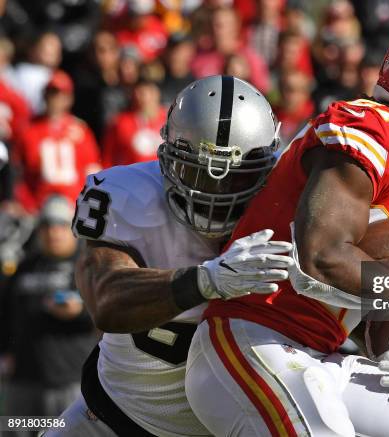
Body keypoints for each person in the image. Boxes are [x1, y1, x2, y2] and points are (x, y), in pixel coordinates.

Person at [186, 19, 389, 436]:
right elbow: (320, 262)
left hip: (326, 356)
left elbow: (381, 341)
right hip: (251, 335)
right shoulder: (372, 128)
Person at [48, 75, 294, 436]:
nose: (217, 193)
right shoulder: (124, 195)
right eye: (198, 174)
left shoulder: (295, 208)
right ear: (167, 155)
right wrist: (205, 281)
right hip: (112, 420)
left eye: (237, 179)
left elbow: (365, 271)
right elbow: (106, 300)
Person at [2, 196, 97, 436]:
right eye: (45, 224)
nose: (52, 231)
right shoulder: (26, 265)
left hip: (70, 383)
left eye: (59, 224)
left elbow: (109, 312)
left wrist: (81, 312)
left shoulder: (89, 265)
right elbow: (6, 312)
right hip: (23, 382)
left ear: (73, 227)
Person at [12, 70, 101, 213]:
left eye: (61, 94)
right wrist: (26, 204)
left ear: (69, 98)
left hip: (74, 207)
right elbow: (18, 173)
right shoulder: (29, 130)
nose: (55, 99)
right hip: (39, 207)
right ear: (45, 95)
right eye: (52, 93)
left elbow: (93, 171)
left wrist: (89, 206)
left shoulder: (81, 130)